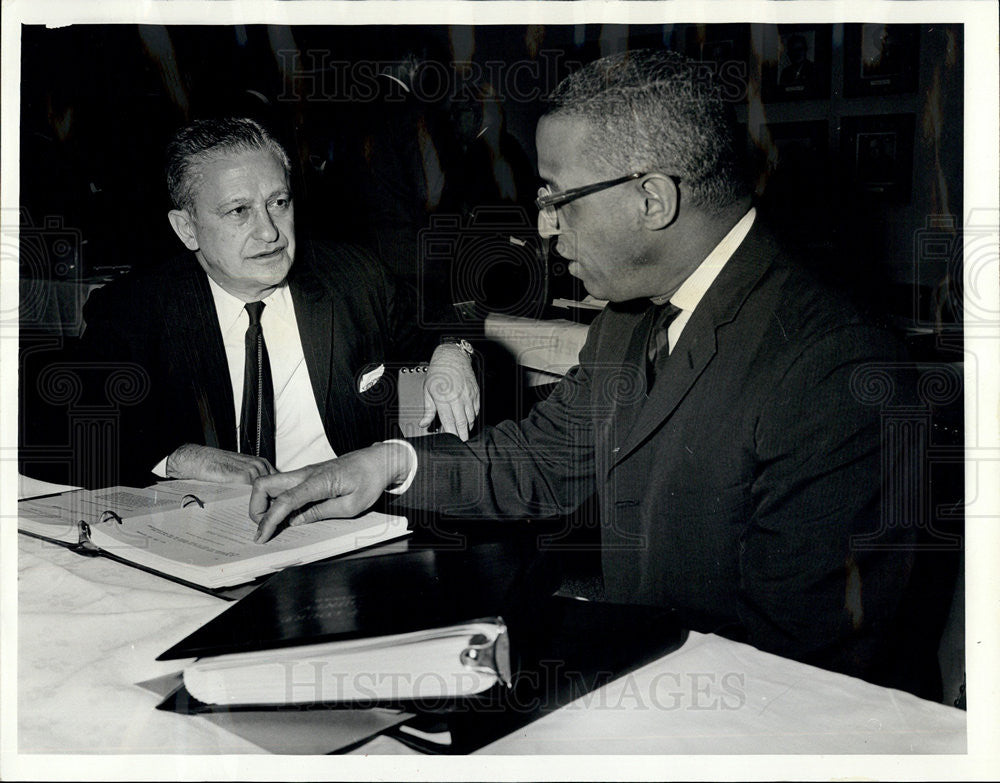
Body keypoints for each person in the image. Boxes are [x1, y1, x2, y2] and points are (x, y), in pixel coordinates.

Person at [249, 51, 919, 689]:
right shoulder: (633, 316)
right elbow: (542, 460)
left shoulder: (836, 367)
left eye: (557, 197)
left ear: (652, 200)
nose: (542, 226)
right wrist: (387, 465)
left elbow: (791, 671)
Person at [77, 117, 478, 488]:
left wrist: (452, 351)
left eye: (278, 203)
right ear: (187, 229)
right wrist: (178, 458)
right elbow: (69, 431)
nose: (269, 232)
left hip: (348, 518)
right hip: (209, 534)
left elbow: (439, 319)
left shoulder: (352, 277)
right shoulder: (135, 310)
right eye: (239, 211)